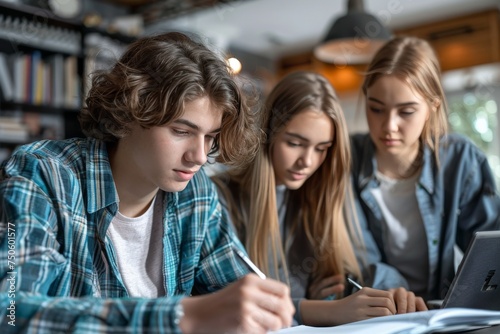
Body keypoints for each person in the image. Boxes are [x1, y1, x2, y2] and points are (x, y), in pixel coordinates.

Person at [0, 32, 295, 333]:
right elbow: (8, 313)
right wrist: (182, 316)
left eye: (210, 136)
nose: (200, 156)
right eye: (181, 131)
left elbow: (239, 295)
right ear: (130, 113)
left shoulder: (196, 193)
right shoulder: (43, 176)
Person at [212, 71, 427, 327]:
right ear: (266, 134)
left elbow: (364, 268)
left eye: (321, 149)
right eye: (294, 143)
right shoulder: (220, 199)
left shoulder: (322, 192)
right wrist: (323, 310)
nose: (308, 162)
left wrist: (392, 294)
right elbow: (231, 306)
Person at [350, 36, 500, 302]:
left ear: (432, 107)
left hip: (443, 309)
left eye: (406, 112)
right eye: (376, 109)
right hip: (377, 309)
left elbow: (490, 253)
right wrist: (396, 292)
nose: (389, 126)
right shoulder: (346, 159)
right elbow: (357, 256)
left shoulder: (460, 159)